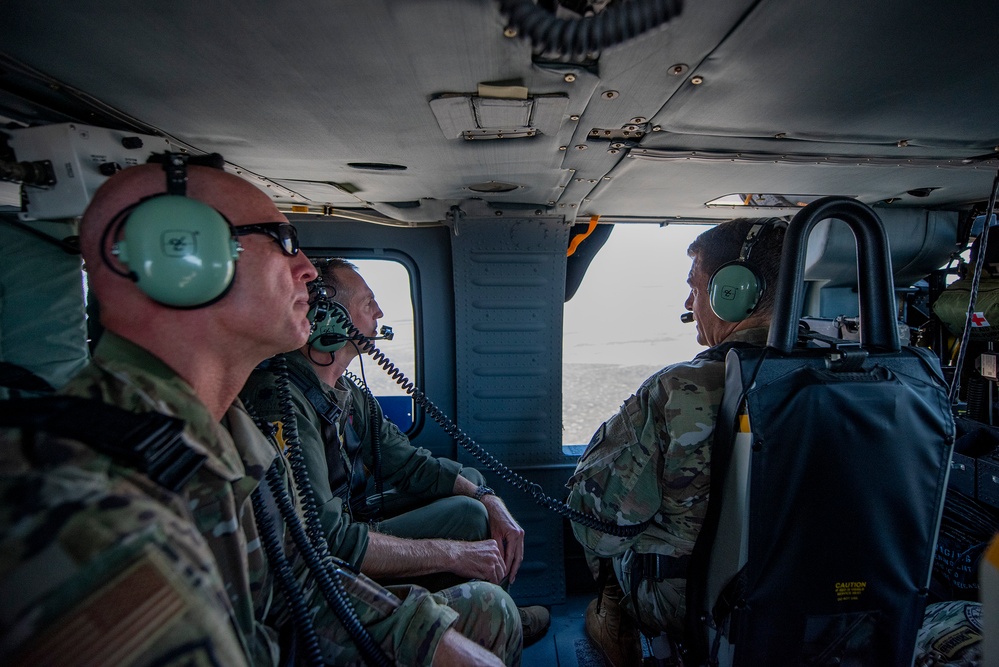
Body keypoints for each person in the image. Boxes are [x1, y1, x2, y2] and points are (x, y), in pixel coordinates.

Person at [0, 158, 520, 666]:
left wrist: (432, 641)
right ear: (184, 261)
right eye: (283, 242)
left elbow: (299, 579)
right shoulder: (81, 506)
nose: (307, 270)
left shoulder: (229, 435)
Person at [241, 258, 552, 643]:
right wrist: (451, 553)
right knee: (465, 515)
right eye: (368, 302)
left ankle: (493, 621)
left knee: (469, 490)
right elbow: (328, 540)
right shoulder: (282, 400)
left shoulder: (348, 394)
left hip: (351, 524)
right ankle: (489, 617)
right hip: (325, 567)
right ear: (328, 315)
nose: (380, 312)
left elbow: (408, 464)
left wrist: (490, 499)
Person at [567, 218, 786, 666]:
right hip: (838, 593)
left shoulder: (682, 388)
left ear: (735, 291)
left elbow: (597, 526)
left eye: (695, 286)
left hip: (698, 603)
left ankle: (615, 620)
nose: (689, 303)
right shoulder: (868, 378)